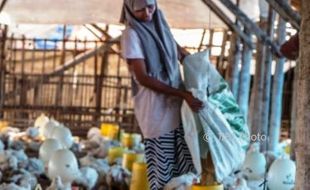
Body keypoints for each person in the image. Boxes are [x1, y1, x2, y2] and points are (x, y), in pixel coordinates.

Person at [120, 0, 204, 189]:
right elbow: (143, 77)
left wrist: (203, 71)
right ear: (130, 10)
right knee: (163, 176)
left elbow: (181, 54)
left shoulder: (161, 27)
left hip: (178, 110)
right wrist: (182, 94)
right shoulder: (131, 35)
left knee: (184, 173)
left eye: (151, 7)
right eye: (140, 10)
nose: (147, 14)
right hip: (156, 114)